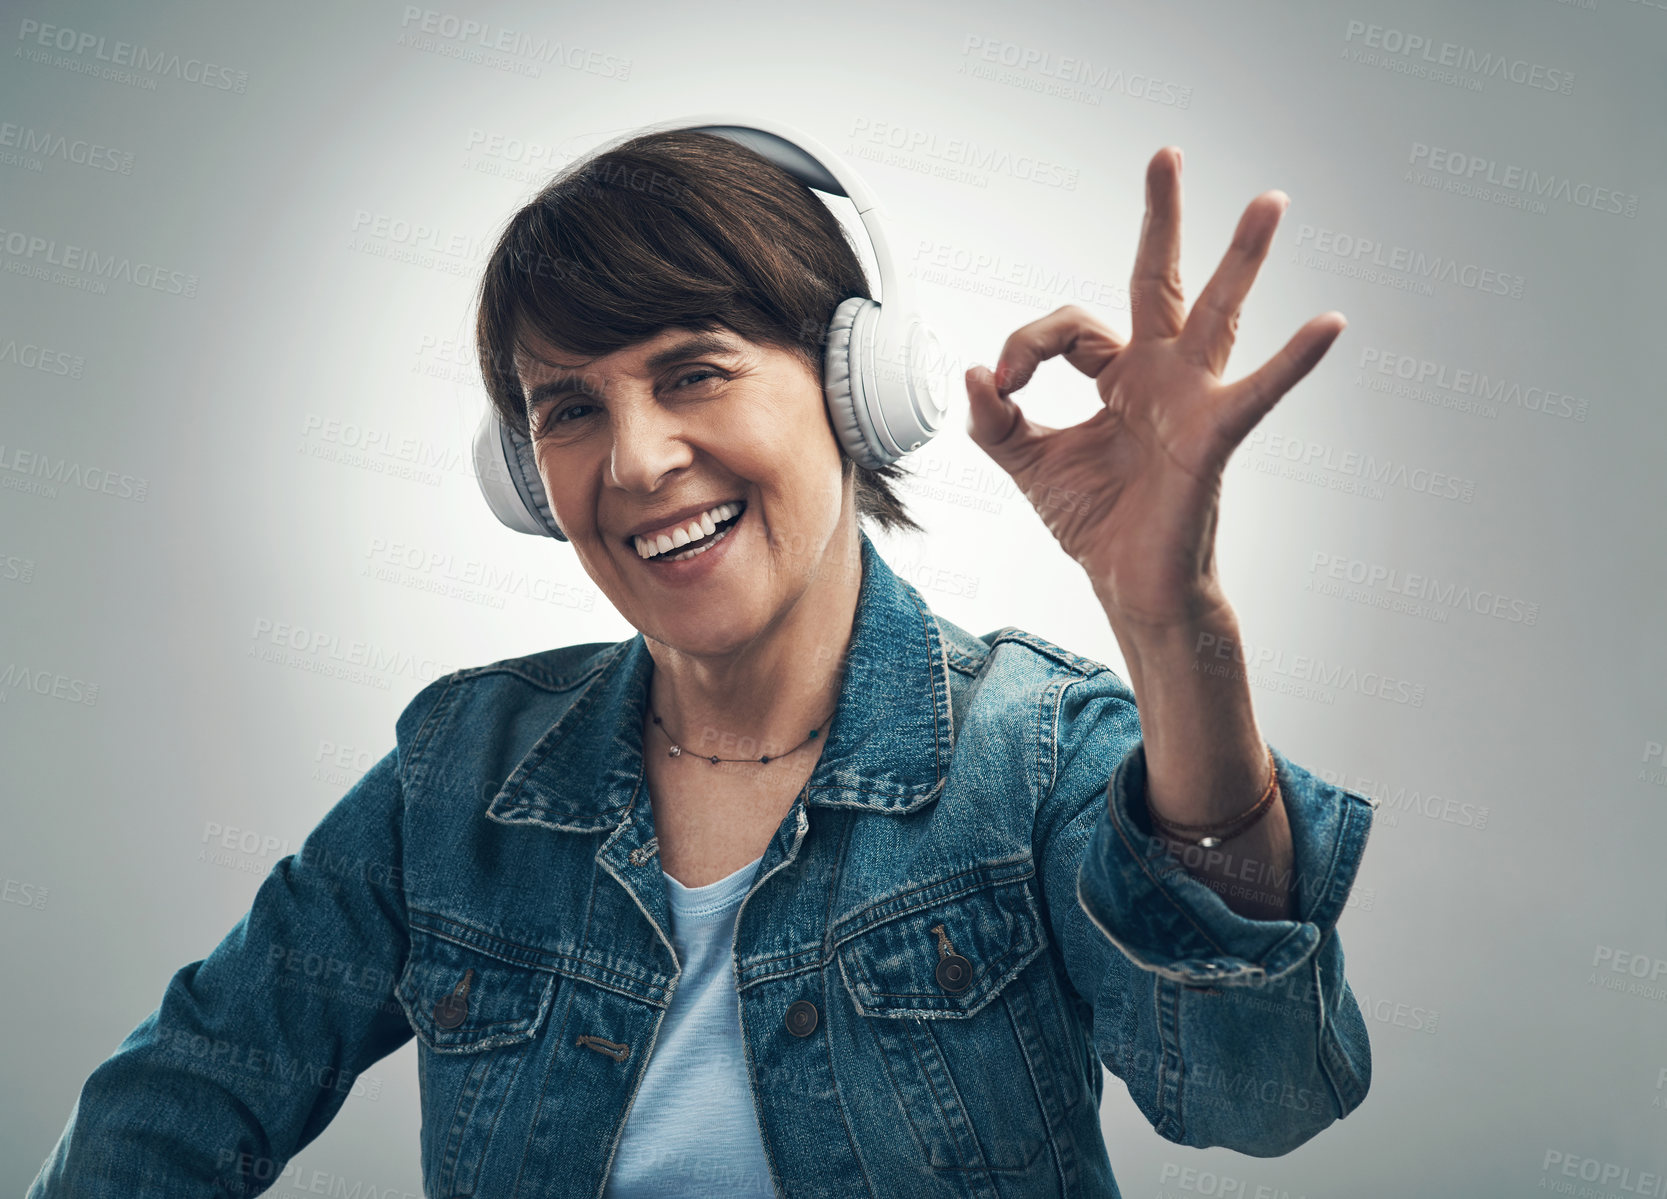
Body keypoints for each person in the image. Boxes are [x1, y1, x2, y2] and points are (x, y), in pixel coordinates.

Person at [29, 123, 1377, 1198]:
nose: (634, 463)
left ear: (859, 385)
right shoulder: (458, 773)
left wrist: (1174, 623)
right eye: (569, 409)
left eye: (695, 372)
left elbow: (1261, 1098)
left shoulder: (1036, 754)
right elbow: (185, 1094)